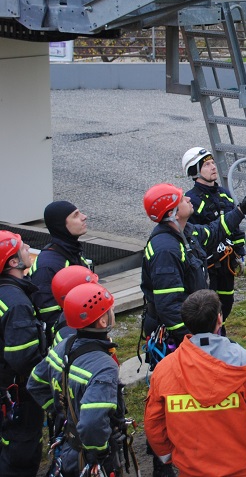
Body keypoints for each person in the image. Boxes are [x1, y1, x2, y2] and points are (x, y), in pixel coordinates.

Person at [145, 289, 246, 477]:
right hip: (245, 471)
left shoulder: (164, 370)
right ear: (219, 319)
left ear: (186, 322)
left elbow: (154, 426)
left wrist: (173, 457)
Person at [140, 183, 246, 357]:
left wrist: (242, 209)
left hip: (194, 328)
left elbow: (215, 231)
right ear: (174, 213)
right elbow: (170, 307)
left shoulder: (185, 232)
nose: (188, 198)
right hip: (180, 337)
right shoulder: (166, 251)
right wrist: (199, 341)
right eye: (182, 199)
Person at [27, 282, 132, 477]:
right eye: (110, 310)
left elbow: (35, 383)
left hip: (69, 445)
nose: (113, 312)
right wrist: (99, 451)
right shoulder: (104, 366)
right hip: (88, 458)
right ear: (102, 321)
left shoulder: (63, 346)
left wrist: (61, 412)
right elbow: (92, 422)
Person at [182, 146, 246, 327]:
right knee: (207, 307)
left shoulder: (224, 194)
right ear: (194, 171)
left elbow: (234, 226)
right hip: (208, 266)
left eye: (212, 163)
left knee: (226, 303)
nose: (213, 167)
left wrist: (240, 252)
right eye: (206, 165)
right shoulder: (190, 201)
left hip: (226, 264)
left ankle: (220, 331)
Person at [0, 231, 46, 477]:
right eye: (22, 247)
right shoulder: (16, 302)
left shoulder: (7, 293)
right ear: (13, 262)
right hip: (19, 395)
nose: (28, 247)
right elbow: (22, 358)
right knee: (21, 455)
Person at [28, 200, 92, 343]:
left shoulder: (71, 251)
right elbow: (49, 317)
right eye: (75, 215)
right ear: (61, 225)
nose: (84, 217)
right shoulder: (48, 266)